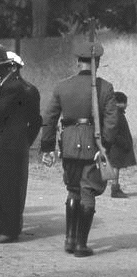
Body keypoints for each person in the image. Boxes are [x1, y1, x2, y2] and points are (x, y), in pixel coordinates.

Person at [41, 41, 118, 257]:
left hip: (68, 145)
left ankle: (70, 239)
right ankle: (81, 245)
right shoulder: (105, 87)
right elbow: (112, 121)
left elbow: (49, 118)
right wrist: (105, 145)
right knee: (88, 190)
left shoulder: (62, 86)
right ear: (98, 63)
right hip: (94, 145)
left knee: (73, 189)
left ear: (78, 62)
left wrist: (47, 147)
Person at [0, 45, 40, 243]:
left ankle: (9, 230)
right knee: (3, 187)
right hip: (7, 145)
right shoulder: (7, 84)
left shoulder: (13, 87)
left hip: (10, 145)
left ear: (2, 68)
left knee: (8, 189)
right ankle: (4, 227)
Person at [107, 91, 134, 198]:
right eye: (125, 103)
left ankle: (115, 188)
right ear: (119, 103)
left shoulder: (115, 113)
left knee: (116, 167)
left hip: (117, 145)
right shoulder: (117, 114)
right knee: (116, 167)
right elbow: (114, 132)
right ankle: (115, 189)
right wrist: (123, 143)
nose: (126, 105)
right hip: (117, 146)